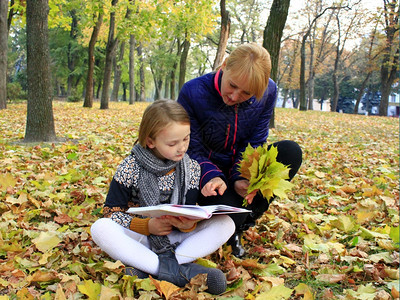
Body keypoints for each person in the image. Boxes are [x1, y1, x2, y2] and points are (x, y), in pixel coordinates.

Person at [90, 99, 235, 295]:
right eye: (172, 143)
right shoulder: (130, 167)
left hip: (175, 237)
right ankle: (178, 272)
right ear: (151, 141)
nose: (182, 148)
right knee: (100, 228)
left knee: (226, 223)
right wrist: (147, 226)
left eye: (186, 139)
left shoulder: (190, 168)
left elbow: (188, 209)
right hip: (140, 236)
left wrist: (187, 224)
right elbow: (110, 212)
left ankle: (148, 269)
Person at [177, 43, 302, 257]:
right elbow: (189, 146)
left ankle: (246, 219)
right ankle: (233, 222)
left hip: (238, 165)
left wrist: (241, 176)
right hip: (206, 171)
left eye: (246, 93)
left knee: (290, 152)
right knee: (226, 210)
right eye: (232, 85)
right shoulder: (193, 91)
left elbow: (255, 141)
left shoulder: (269, 92)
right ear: (224, 66)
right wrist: (211, 176)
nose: (234, 96)